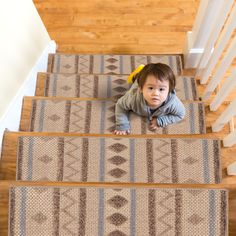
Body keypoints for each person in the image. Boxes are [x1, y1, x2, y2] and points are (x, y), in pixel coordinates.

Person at [113, 63, 185, 135]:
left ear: (169, 90)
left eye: (161, 89)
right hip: (137, 82)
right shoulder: (133, 98)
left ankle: (142, 70)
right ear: (141, 89)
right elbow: (120, 105)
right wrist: (122, 124)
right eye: (150, 88)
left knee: (146, 78)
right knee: (134, 79)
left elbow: (180, 114)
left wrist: (161, 121)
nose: (156, 93)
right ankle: (139, 72)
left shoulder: (172, 103)